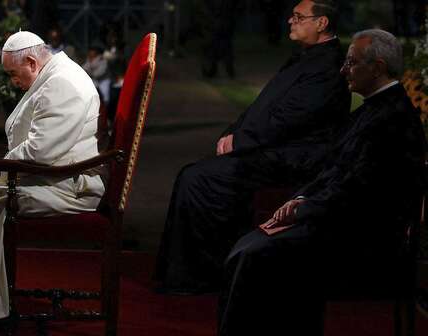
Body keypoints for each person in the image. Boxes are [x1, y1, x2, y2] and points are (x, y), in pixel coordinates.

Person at [218, 28, 426, 336]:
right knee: (249, 247)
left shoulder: (392, 117)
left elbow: (361, 187)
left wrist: (303, 209)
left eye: (352, 63)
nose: (343, 70)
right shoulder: (374, 109)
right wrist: (299, 201)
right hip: (341, 220)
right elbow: (335, 170)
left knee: (255, 255)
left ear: (378, 68)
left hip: (365, 239)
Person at [155, 0, 351, 294]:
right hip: (272, 147)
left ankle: (201, 275)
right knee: (196, 173)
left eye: (298, 17)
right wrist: (232, 132)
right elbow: (263, 106)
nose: (290, 21)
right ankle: (189, 271)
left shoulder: (327, 65)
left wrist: (240, 141)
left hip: (294, 157)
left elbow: (291, 119)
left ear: (322, 23)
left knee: (198, 179)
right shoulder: (306, 57)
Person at [0, 31, 106, 321]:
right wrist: (4, 163)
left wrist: (1, 163)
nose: (12, 81)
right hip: (46, 176)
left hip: (67, 186)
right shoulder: (51, 74)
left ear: (30, 61)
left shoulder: (63, 83)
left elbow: (40, 151)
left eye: (13, 74)